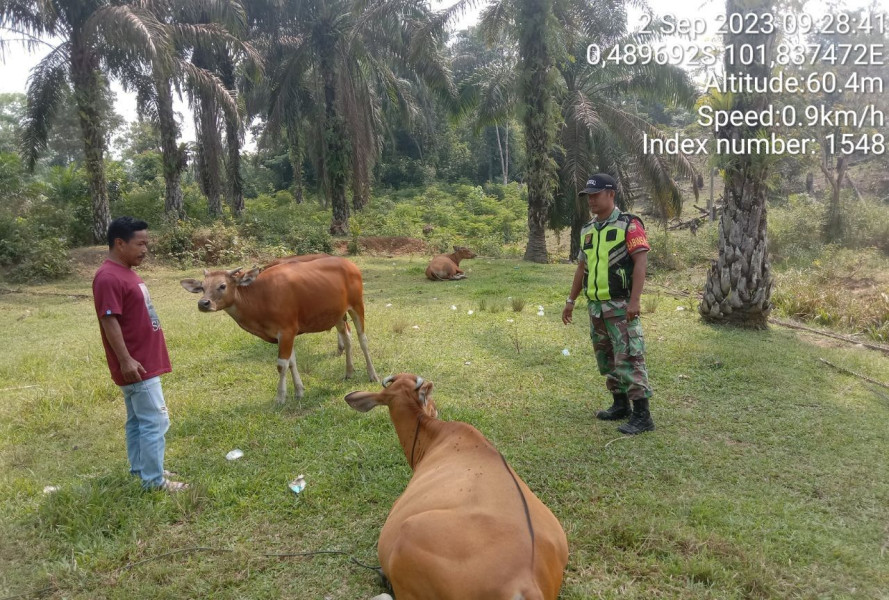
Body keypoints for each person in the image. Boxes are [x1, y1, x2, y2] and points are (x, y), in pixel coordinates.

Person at [92, 216, 188, 490]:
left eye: (147, 243)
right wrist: (125, 359)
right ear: (120, 243)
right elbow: (108, 320)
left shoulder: (125, 271)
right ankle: (154, 482)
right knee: (156, 420)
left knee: (137, 421)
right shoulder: (108, 277)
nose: (145, 249)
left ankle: (141, 470)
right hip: (137, 364)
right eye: (140, 243)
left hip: (142, 360)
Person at [561, 174, 654, 435]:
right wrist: (571, 301)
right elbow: (582, 267)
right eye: (588, 196)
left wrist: (635, 301)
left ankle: (643, 415)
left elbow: (641, 262)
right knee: (608, 358)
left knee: (630, 357)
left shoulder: (629, 225)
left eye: (596, 194)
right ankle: (620, 405)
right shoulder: (588, 230)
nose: (591, 200)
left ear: (611, 194)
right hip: (596, 306)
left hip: (621, 304)